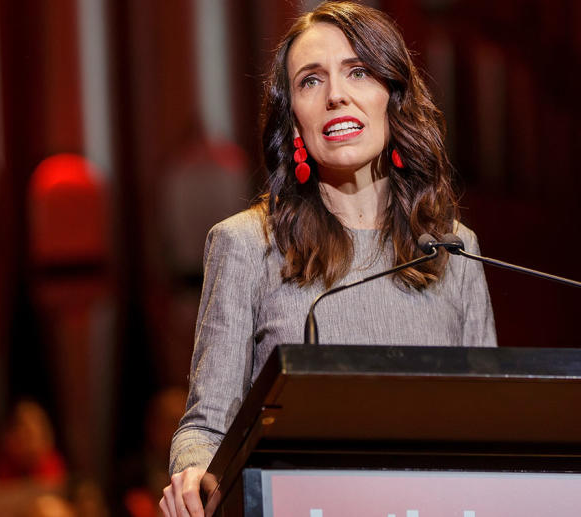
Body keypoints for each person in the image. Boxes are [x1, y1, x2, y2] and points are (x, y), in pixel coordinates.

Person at [159, 2, 497, 515]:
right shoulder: (248, 244)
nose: (335, 95)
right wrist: (192, 471)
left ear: (394, 98)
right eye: (310, 82)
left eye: (358, 72)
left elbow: (490, 422)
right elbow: (206, 427)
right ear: (295, 121)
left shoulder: (454, 248)